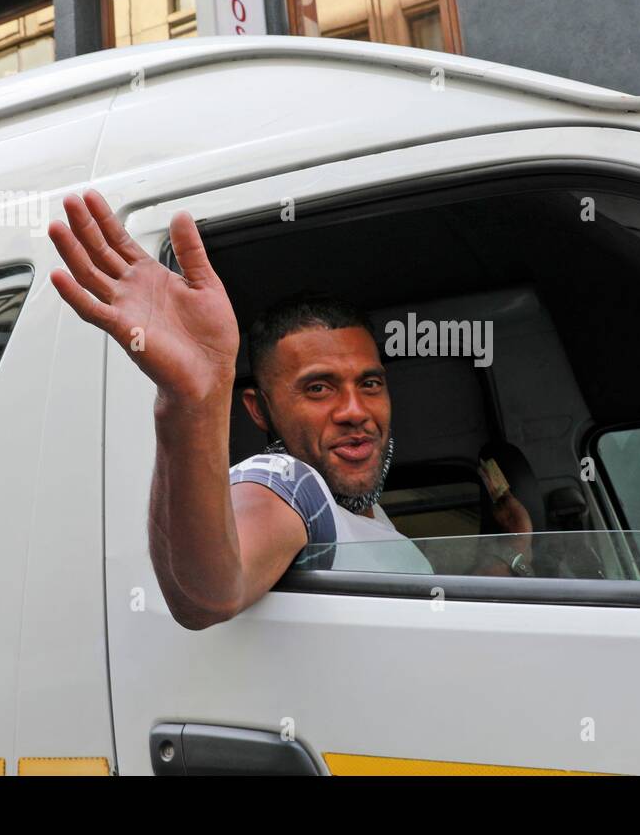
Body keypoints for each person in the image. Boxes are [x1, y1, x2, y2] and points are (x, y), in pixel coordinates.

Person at [47, 190, 531, 630]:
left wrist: (510, 553)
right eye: (319, 389)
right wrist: (190, 401)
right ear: (260, 409)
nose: (354, 410)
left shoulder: (368, 514)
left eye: (369, 383)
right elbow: (207, 595)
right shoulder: (291, 488)